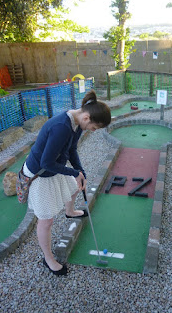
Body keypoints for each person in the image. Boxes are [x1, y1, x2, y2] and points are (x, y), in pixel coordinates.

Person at [23, 90, 111, 276]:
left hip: (55, 166)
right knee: (46, 221)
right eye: (94, 127)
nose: (92, 131)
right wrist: (73, 172)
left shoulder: (77, 123)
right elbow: (46, 162)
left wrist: (81, 172)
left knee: (75, 186)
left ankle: (70, 212)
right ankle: (48, 259)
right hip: (40, 174)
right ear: (87, 117)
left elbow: (71, 149)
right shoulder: (62, 126)